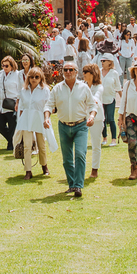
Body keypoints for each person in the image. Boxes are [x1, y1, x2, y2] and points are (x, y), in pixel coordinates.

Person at [44, 61, 97, 198]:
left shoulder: (84, 88)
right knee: (67, 159)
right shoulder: (57, 89)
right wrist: (46, 118)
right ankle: (72, 184)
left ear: (76, 71)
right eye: (66, 70)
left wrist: (91, 117)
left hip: (81, 126)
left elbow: (92, 106)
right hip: (64, 126)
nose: (68, 72)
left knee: (80, 154)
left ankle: (78, 186)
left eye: (71, 69)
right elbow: (48, 105)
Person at [14, 67, 52, 180]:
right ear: (28, 78)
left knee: (41, 145)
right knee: (27, 145)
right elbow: (21, 107)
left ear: (41, 78)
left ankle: (44, 166)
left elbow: (48, 106)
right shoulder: (24, 90)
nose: (34, 79)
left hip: (39, 118)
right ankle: (28, 171)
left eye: (37, 77)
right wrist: (19, 121)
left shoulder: (45, 90)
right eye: (31, 77)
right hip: (26, 119)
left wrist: (47, 118)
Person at [0, 56, 22, 150]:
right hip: (0, 104)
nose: (4, 68)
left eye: (6, 66)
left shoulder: (17, 75)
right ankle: (11, 140)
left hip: (12, 104)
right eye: (2, 65)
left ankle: (11, 145)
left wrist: (18, 102)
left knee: (12, 125)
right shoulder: (0, 73)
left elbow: (20, 90)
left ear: (12, 65)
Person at [82, 64, 105, 179]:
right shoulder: (83, 86)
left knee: (96, 145)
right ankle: (80, 169)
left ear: (92, 74)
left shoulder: (99, 87)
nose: (84, 74)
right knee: (81, 145)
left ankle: (95, 169)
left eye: (85, 72)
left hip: (97, 118)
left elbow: (95, 99)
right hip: (83, 118)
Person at [98, 53, 122, 146]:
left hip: (110, 98)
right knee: (102, 119)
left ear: (110, 62)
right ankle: (104, 138)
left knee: (111, 119)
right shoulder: (98, 72)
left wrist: (123, 99)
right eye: (101, 61)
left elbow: (118, 87)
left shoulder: (114, 73)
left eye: (104, 61)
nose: (102, 62)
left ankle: (113, 139)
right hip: (100, 99)